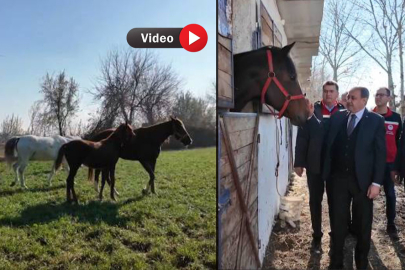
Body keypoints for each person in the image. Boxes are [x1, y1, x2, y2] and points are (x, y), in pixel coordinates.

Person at [322, 87, 386, 269]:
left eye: (353, 98)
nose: (349, 100)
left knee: (363, 224)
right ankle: (336, 261)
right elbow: (328, 146)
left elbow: (380, 154)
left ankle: (361, 260)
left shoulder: (375, 121)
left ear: (364, 101)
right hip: (338, 180)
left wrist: (376, 182)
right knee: (338, 222)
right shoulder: (337, 117)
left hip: (363, 182)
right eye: (348, 97)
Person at [294, 80, 344, 253]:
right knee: (315, 201)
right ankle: (316, 237)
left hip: (335, 167)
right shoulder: (312, 109)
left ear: (337, 94)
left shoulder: (343, 112)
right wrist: (299, 162)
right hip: (314, 164)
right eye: (325, 91)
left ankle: (334, 236)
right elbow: (302, 137)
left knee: (334, 202)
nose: (328, 94)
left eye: (331, 91)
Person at [373, 87, 402, 234]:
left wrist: (397, 166)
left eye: (381, 95)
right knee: (367, 194)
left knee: (390, 193)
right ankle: (364, 224)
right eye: (376, 94)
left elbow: (398, 142)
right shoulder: (368, 115)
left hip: (390, 164)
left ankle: (391, 223)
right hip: (371, 164)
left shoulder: (396, 118)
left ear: (389, 99)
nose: (378, 97)